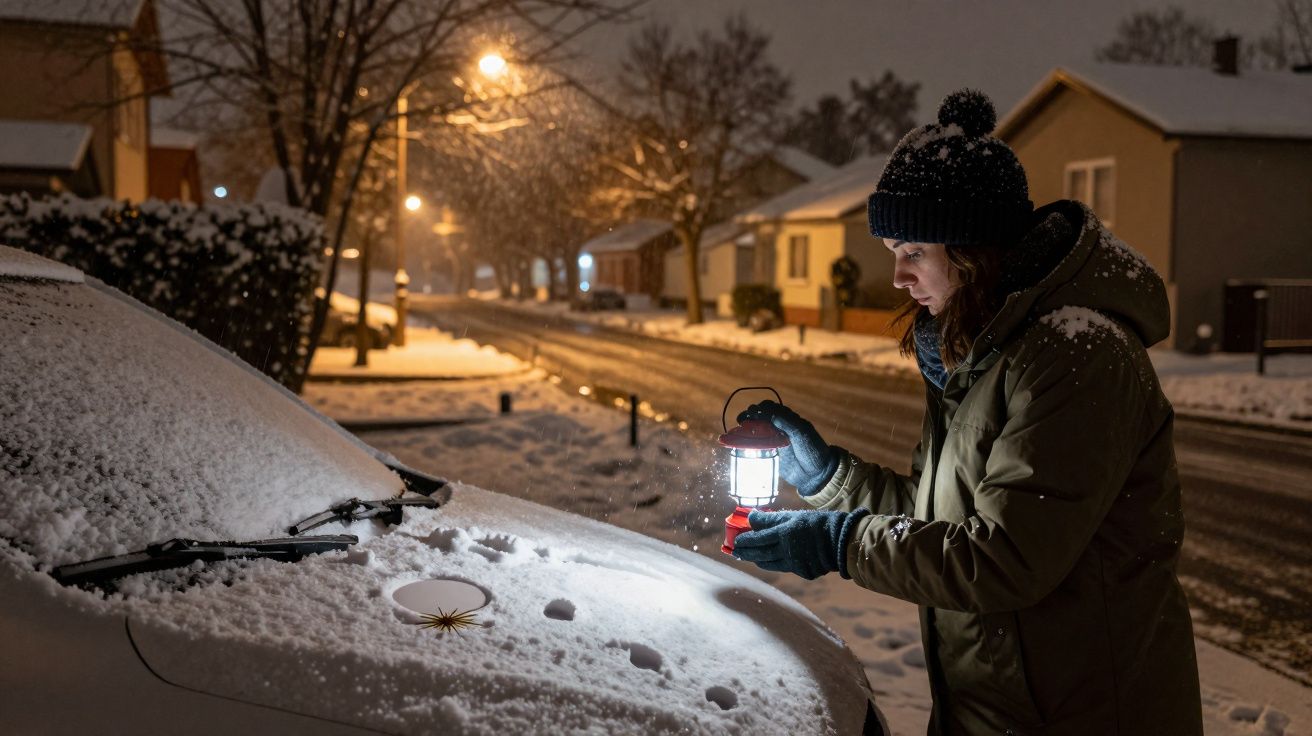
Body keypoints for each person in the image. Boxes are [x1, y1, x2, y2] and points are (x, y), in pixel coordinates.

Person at [732, 89, 1203, 735]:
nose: (897, 277)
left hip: (1083, 711)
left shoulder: (1075, 352)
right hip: (991, 701)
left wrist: (840, 543)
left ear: (974, 253)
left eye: (913, 253)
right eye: (894, 251)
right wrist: (829, 479)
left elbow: (1004, 557)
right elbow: (946, 522)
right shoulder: (980, 351)